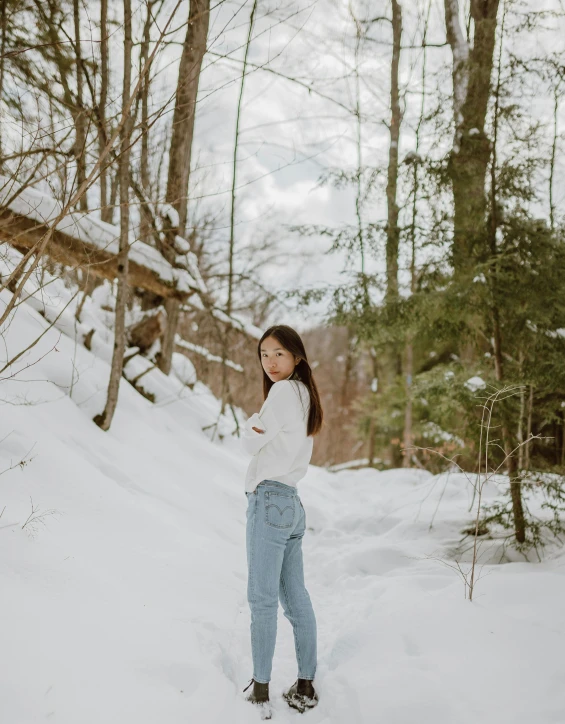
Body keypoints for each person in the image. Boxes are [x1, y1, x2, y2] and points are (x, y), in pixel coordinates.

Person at [241, 324, 323, 718]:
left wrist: (251, 422)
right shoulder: (306, 394)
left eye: (279, 353)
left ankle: (259, 691)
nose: (271, 362)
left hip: (270, 499)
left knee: (262, 600)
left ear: (296, 356)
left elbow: (251, 441)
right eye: (264, 354)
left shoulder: (280, 392)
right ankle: (306, 682)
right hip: (292, 504)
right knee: (295, 598)